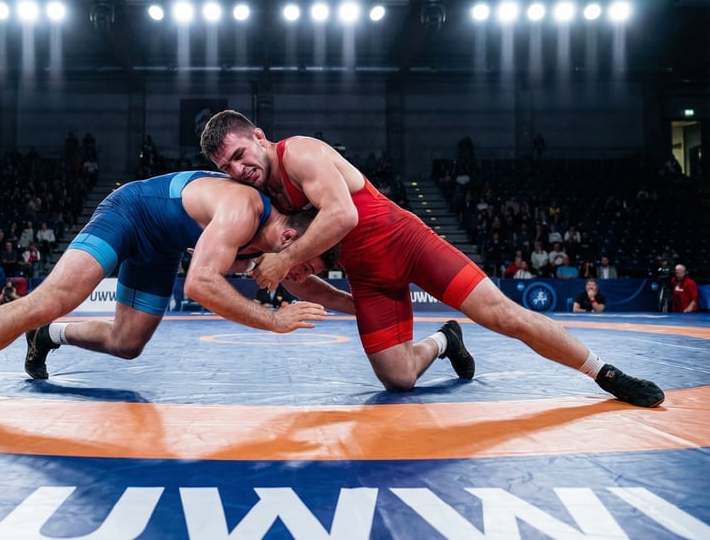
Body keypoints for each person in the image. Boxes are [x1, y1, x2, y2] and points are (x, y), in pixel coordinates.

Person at [200, 110, 663, 407]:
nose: (239, 170)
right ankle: (446, 340)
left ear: (259, 137)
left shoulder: (301, 152)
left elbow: (341, 216)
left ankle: (605, 373)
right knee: (398, 379)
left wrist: (282, 262)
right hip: (367, 276)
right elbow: (291, 268)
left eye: (240, 155)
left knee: (503, 315)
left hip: (405, 242)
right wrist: (277, 274)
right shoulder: (258, 199)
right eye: (226, 168)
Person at [0, 171, 329, 417]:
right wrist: (271, 320)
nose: (298, 275)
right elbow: (200, 283)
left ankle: (47, 337)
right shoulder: (245, 209)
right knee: (52, 297)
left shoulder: (267, 239)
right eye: (303, 263)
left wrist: (357, 303)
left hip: (162, 245)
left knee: (127, 343)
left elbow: (274, 272)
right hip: (131, 211)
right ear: (290, 238)